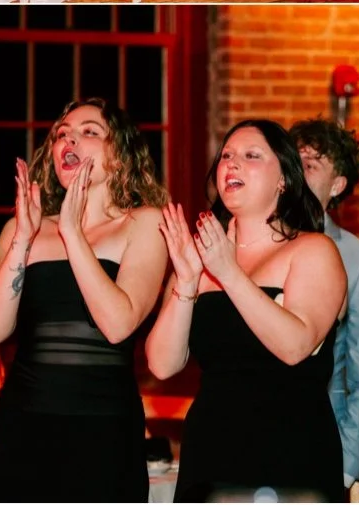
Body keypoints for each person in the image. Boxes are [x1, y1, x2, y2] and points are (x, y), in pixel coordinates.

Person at [146, 119, 347, 502]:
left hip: (290, 453)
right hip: (212, 450)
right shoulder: (201, 254)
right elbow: (162, 364)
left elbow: (295, 346)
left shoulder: (312, 251)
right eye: (226, 156)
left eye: (251, 156)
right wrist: (188, 281)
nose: (232, 164)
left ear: (284, 178)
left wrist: (229, 274)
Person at [0, 99, 168, 502]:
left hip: (104, 432)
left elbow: (118, 324)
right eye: (62, 133)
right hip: (25, 428)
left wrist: (72, 232)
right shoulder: (22, 225)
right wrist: (23, 241)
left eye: (89, 132)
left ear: (119, 156)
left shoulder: (145, 224)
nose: (70, 138)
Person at [290, 118, 359, 493]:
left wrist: (346, 466)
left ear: (338, 184)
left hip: (319, 442)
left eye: (311, 164)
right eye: (293, 161)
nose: (297, 172)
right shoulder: (253, 242)